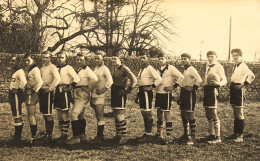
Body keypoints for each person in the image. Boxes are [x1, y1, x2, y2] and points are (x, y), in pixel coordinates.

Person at [66, 53, 98, 144]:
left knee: (73, 115)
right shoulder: (79, 69)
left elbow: (95, 79)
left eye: (81, 60)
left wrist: (89, 88)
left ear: (85, 60)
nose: (79, 61)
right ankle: (82, 136)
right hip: (77, 92)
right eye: (77, 60)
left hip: (82, 93)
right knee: (80, 115)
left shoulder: (87, 70)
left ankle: (76, 137)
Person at [155, 52, 184, 144]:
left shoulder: (171, 68)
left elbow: (181, 76)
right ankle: (160, 132)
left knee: (166, 113)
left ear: (166, 59)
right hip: (158, 92)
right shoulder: (157, 69)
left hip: (166, 93)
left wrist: (174, 86)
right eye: (159, 59)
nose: (160, 61)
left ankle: (169, 135)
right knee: (159, 113)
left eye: (162, 59)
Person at [229, 48, 255, 142]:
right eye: (233, 55)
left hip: (239, 89)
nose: (235, 57)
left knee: (239, 112)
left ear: (241, 56)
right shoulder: (235, 66)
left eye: (237, 55)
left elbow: (252, 76)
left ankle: (240, 135)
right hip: (233, 88)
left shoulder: (243, 65)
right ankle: (235, 133)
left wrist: (242, 85)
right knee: (235, 112)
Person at [110, 54, 137, 144]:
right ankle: (118, 135)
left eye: (115, 58)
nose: (113, 60)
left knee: (120, 114)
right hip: (114, 91)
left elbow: (134, 79)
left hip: (120, 91)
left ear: (120, 60)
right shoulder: (113, 68)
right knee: (115, 114)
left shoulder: (124, 68)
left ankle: (124, 135)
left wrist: (127, 90)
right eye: (112, 59)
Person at [54, 51, 80, 142]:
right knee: (59, 114)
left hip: (65, 91)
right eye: (58, 58)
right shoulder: (55, 68)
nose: (60, 60)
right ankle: (62, 134)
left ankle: (65, 135)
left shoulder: (69, 68)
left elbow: (77, 78)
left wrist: (70, 88)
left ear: (66, 58)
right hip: (57, 91)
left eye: (62, 58)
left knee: (64, 113)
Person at [136, 52, 162, 141]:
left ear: (147, 58)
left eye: (144, 57)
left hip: (147, 92)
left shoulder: (150, 68)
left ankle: (149, 134)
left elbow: (159, 78)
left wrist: (152, 87)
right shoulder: (142, 68)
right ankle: (146, 132)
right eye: (140, 58)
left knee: (147, 112)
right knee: (143, 112)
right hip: (141, 91)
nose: (142, 59)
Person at [203, 51, 227, 144]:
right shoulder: (207, 66)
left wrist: (218, 84)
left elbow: (225, 79)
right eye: (208, 56)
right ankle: (211, 134)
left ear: (216, 57)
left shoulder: (219, 66)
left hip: (213, 90)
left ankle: (218, 137)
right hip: (206, 90)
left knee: (213, 113)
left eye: (212, 56)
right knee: (208, 113)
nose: (210, 58)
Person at [179, 53, 202, 145]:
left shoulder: (191, 69)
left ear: (189, 59)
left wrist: (193, 87)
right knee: (183, 113)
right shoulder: (185, 69)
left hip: (189, 93)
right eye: (182, 59)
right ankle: (186, 134)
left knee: (189, 112)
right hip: (183, 92)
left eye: (185, 59)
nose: (183, 60)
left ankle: (193, 136)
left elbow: (199, 80)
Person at [90, 52, 113, 144]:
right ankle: (99, 135)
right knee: (98, 115)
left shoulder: (105, 69)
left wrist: (104, 89)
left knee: (100, 115)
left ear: (103, 59)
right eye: (95, 58)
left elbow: (110, 81)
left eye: (98, 58)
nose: (96, 60)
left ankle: (100, 137)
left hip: (100, 94)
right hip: (94, 94)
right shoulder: (96, 69)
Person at [39, 51, 61, 143]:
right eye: (43, 57)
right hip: (42, 92)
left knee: (48, 114)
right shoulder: (42, 67)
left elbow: (58, 78)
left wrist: (51, 88)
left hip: (48, 92)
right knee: (44, 114)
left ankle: (49, 136)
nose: (45, 59)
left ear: (50, 58)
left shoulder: (52, 67)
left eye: (47, 57)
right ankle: (47, 134)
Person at [23, 54, 43, 143]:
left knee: (31, 115)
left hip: (31, 94)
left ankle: (34, 137)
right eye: (25, 60)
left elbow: (40, 82)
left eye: (28, 60)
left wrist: (34, 91)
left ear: (33, 60)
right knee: (30, 115)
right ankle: (34, 136)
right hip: (28, 93)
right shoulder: (30, 69)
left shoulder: (35, 69)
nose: (26, 62)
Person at [8, 55, 27, 142]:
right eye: (11, 61)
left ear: (18, 62)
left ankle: (17, 137)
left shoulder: (20, 71)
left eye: (13, 61)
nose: (12, 62)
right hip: (12, 95)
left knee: (17, 114)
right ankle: (16, 136)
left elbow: (24, 82)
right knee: (15, 114)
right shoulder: (15, 71)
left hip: (16, 95)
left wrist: (18, 89)